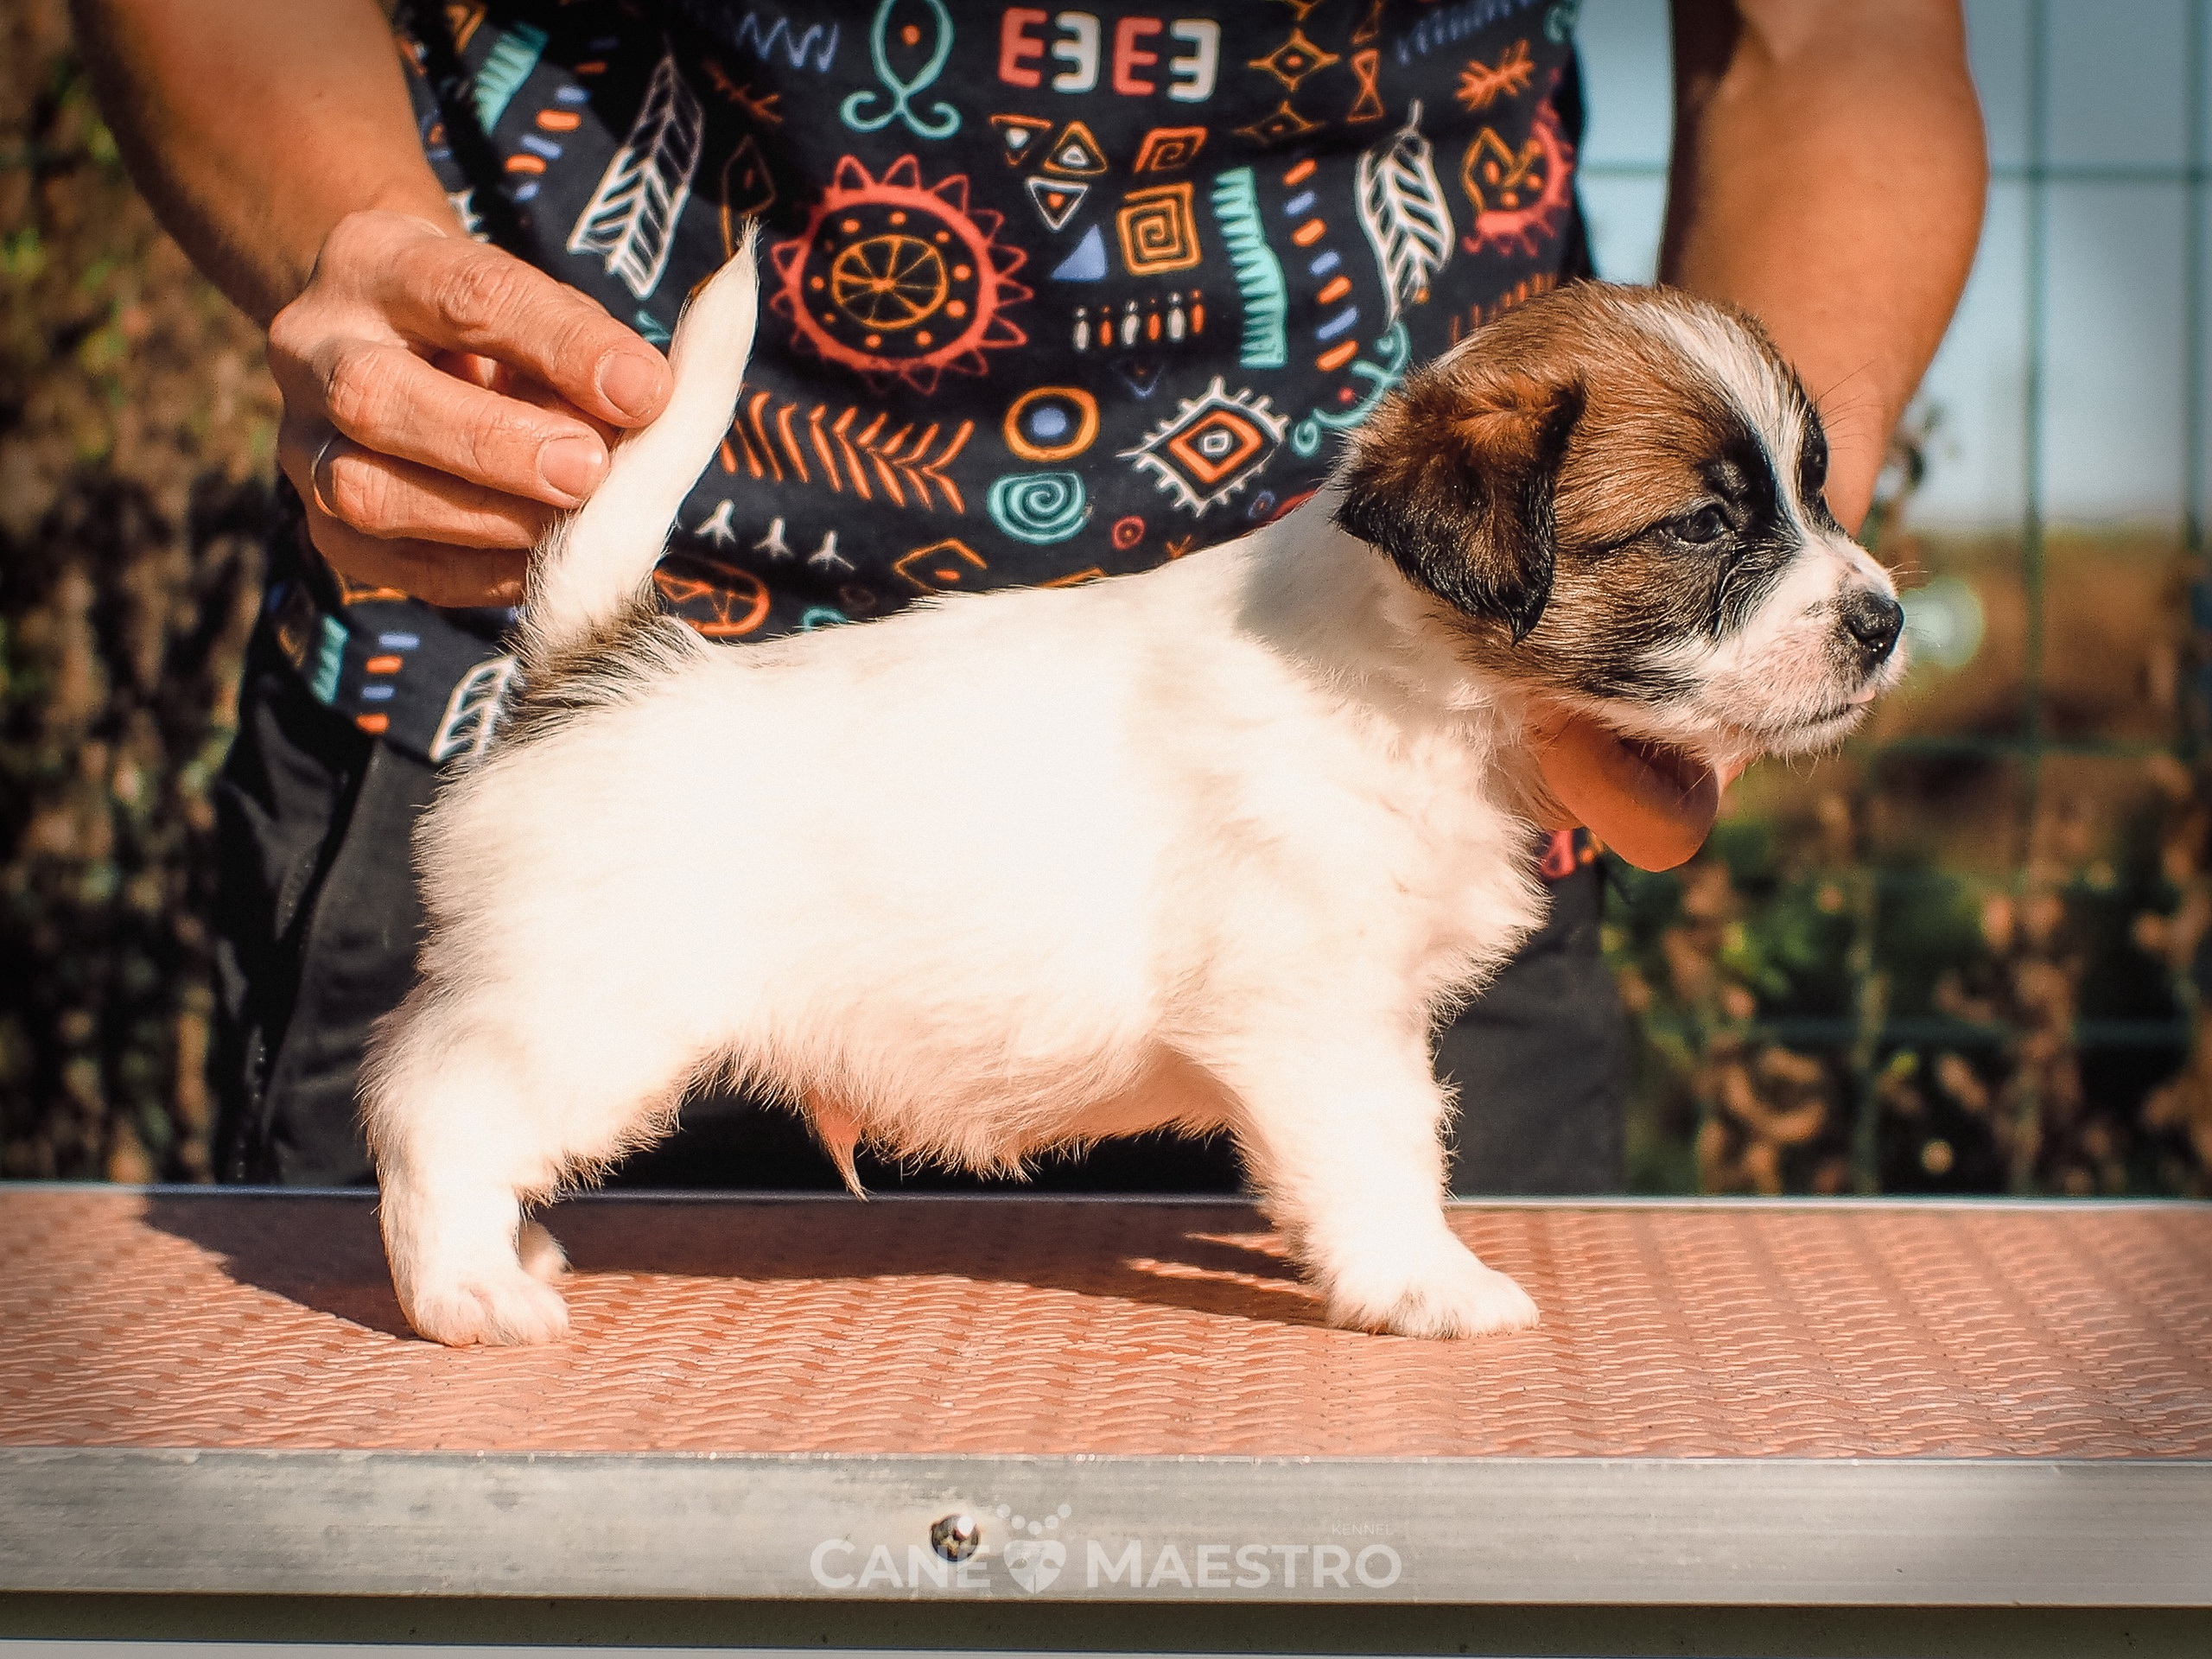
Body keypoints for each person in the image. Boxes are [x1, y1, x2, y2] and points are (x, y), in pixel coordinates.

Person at [76, 0, 1986, 1189]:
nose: (1843, 577)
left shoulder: (1452, 609)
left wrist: (1726, 565)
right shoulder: (1458, 512)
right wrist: (366, 251)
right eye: (1723, 522)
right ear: (1470, 531)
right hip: (523, 591)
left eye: (1792, 504)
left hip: (1467, 753)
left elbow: (1841, 40)